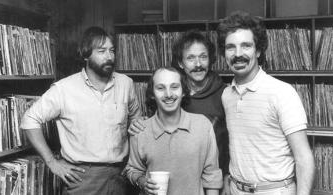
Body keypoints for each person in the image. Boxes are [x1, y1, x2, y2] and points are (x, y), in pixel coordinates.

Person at [21, 26, 141, 195]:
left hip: (120, 176)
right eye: (101, 51)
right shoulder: (64, 89)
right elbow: (29, 119)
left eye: (112, 50)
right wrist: (51, 162)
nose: (109, 57)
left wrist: (133, 163)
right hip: (82, 179)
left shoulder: (126, 83)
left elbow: (136, 119)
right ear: (86, 55)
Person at [218, 11, 315, 195]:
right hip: (236, 189)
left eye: (246, 46)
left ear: (259, 50)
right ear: (224, 52)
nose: (238, 54)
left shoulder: (282, 93)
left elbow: (303, 157)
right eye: (231, 47)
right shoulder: (226, 95)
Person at [129, 30, 229, 180]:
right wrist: (139, 122)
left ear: (211, 59)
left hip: (215, 180)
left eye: (203, 57)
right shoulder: (172, 95)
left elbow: (236, 141)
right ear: (181, 63)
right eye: (190, 58)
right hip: (180, 178)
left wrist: (228, 175)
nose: (198, 64)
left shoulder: (225, 94)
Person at [126, 67, 223, 195]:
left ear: (183, 91)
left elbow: (212, 175)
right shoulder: (140, 130)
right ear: (152, 94)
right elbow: (132, 170)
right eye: (160, 88)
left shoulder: (203, 125)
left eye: (174, 87)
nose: (168, 94)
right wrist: (142, 181)